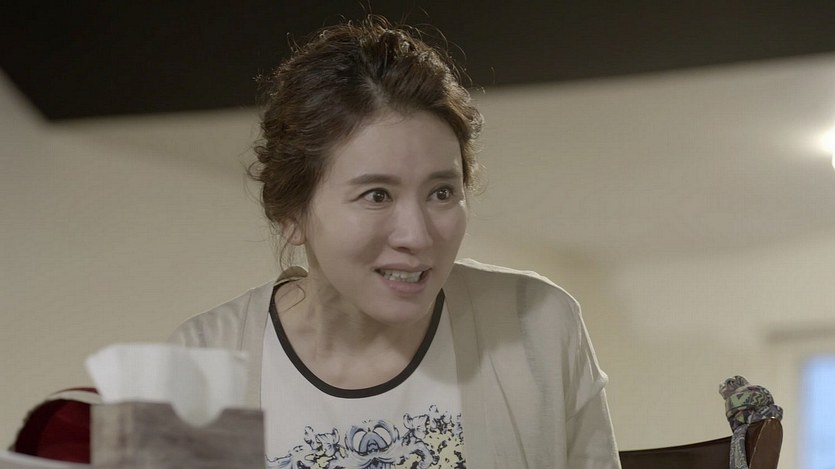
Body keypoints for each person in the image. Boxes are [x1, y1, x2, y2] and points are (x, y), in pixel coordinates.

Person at [170, 16, 621, 469]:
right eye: (377, 195)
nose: (417, 236)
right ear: (292, 215)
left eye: (441, 193)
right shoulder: (199, 361)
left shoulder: (535, 326)